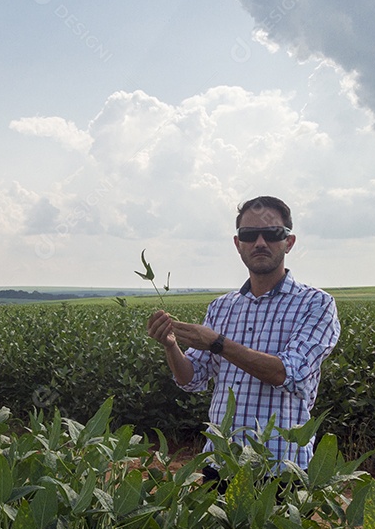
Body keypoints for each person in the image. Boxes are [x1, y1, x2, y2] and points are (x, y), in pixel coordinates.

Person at [145, 196, 340, 471]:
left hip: (281, 467)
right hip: (220, 461)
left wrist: (217, 343)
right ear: (238, 244)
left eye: (272, 234)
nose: (260, 243)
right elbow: (191, 378)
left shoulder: (316, 304)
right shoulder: (222, 306)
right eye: (249, 235)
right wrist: (170, 345)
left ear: (289, 242)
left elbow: (286, 373)